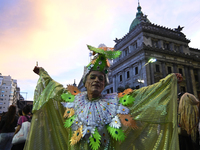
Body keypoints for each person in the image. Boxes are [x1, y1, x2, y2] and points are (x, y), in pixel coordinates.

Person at [24, 45, 182, 150]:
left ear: (105, 84)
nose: (96, 81)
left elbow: (142, 95)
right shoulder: (73, 99)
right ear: (85, 82)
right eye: (92, 77)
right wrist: (43, 75)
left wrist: (167, 82)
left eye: (101, 78)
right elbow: (56, 90)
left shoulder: (115, 102)